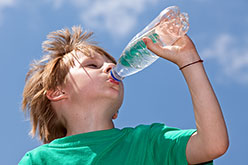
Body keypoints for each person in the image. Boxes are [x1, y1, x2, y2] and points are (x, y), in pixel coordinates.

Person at [19, 26, 229, 165]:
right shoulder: (39, 160)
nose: (111, 66)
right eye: (92, 65)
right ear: (57, 92)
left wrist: (189, 60)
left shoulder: (147, 142)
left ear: (117, 112)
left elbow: (213, 144)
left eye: (109, 63)